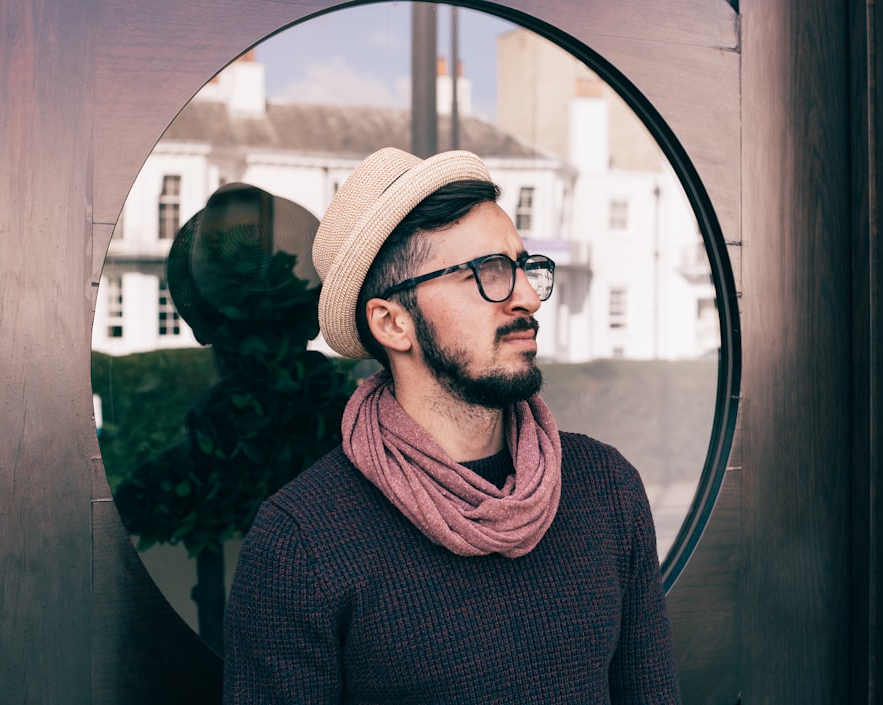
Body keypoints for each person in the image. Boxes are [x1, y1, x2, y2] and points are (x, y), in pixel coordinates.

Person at [223, 147, 682, 704]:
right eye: (488, 273)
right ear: (393, 323)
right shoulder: (303, 544)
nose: (529, 297)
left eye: (523, 267)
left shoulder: (604, 489)